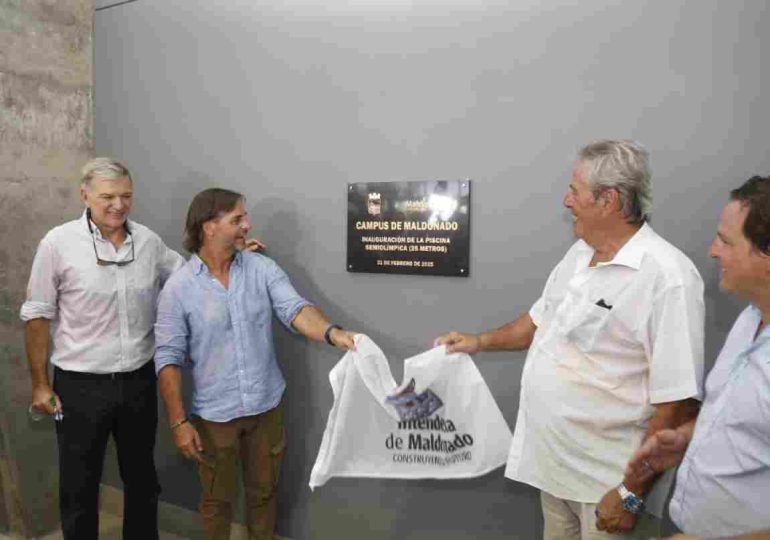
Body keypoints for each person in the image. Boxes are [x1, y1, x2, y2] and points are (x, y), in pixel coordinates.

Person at [436, 140, 704, 539]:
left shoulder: (668, 276)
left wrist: (630, 494)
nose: (566, 200)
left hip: (606, 485)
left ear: (609, 199)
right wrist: (478, 341)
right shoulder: (579, 255)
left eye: (575, 190)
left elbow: (675, 401)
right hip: (555, 469)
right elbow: (536, 324)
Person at [20, 158, 263, 540]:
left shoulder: (147, 242)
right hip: (79, 386)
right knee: (78, 484)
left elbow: (188, 275)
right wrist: (39, 384)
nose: (118, 204)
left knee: (142, 481)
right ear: (84, 195)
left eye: (126, 196)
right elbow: (36, 314)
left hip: (138, 382)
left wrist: (229, 253)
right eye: (107, 197)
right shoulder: (58, 243)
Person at [154, 188, 357, 540]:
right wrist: (178, 422)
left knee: (264, 495)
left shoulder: (261, 268)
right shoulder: (179, 289)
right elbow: (167, 359)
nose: (247, 225)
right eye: (237, 219)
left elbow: (294, 309)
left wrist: (332, 333)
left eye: (244, 217)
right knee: (217, 504)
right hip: (215, 418)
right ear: (209, 227)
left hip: (266, 409)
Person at [626, 176, 770, 540]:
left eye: (725, 240)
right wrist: (687, 437)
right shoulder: (750, 318)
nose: (712, 250)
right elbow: (745, 424)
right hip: (684, 523)